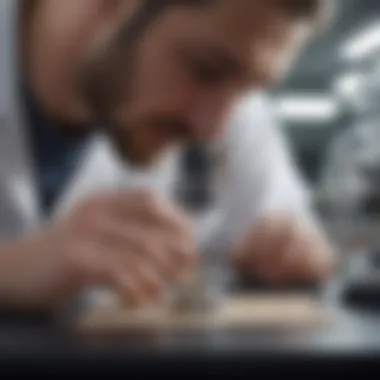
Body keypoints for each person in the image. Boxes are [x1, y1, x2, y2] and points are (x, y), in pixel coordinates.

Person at [0, 0, 335, 312]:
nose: (212, 131)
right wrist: (12, 268)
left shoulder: (231, 98)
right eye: (205, 70)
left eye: (249, 87)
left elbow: (294, 233)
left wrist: (291, 251)